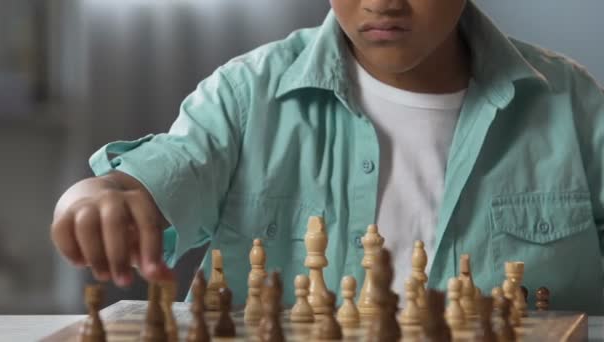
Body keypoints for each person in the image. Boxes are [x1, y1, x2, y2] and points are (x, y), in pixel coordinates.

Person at [50, 0, 604, 314]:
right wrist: (100, 194)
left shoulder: (573, 105)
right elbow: (154, 179)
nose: (383, 1)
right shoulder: (246, 96)